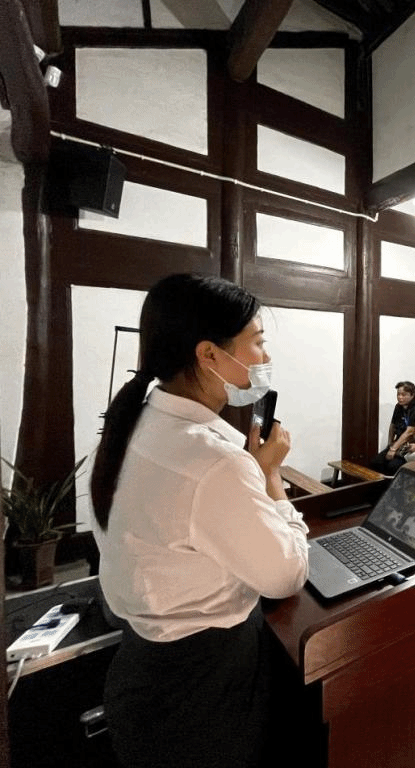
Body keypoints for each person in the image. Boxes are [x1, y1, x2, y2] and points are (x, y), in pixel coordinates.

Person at [89, 274, 309, 768]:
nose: (265, 356)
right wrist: (270, 476)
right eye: (257, 342)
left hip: (142, 666)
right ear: (209, 354)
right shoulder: (213, 461)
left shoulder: (134, 422)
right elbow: (287, 574)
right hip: (202, 687)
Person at [369, 381, 415, 475]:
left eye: (403, 395)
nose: (400, 397)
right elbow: (392, 425)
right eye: (398, 394)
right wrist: (390, 444)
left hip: (411, 446)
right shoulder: (398, 406)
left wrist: (393, 449)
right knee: (375, 462)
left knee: (392, 466)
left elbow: (409, 432)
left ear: (412, 395)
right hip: (398, 444)